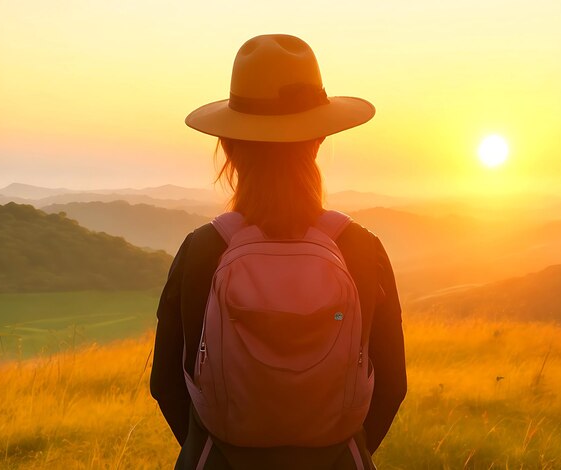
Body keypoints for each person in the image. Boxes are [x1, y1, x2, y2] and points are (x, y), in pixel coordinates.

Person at [150, 34, 407, 469]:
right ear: (320, 138)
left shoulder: (201, 251)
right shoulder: (363, 249)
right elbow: (392, 386)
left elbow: (166, 384)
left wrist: (211, 446)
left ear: (228, 144)